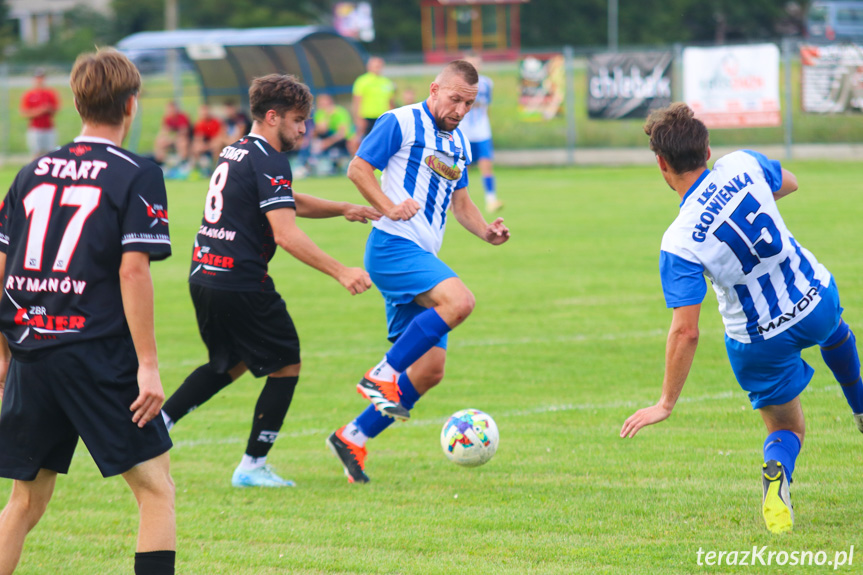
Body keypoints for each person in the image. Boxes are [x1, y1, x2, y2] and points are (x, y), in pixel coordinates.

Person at [620, 103, 863, 534]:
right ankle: (860, 408)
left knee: (788, 427)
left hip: (758, 339)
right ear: (708, 149)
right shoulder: (742, 164)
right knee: (837, 332)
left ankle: (777, 474)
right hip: (812, 297)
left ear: (661, 163)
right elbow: (790, 182)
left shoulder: (678, 241)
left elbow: (686, 330)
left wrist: (665, 403)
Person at [0, 49, 175, 574]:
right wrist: (147, 364)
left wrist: (4, 350)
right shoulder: (137, 172)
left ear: (75, 102)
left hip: (34, 354)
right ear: (131, 104)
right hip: (96, 355)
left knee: (24, 502)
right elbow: (132, 272)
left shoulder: (33, 171)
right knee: (156, 491)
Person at [160, 74, 380, 488]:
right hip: (241, 279)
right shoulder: (271, 158)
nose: (303, 129)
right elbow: (285, 231)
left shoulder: (238, 150)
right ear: (273, 115)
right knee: (286, 363)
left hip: (205, 274)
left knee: (229, 362)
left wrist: (345, 208)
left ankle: (159, 425)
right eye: (298, 120)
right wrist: (342, 270)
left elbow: (287, 200)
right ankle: (252, 466)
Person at [327, 60, 511, 484]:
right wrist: (389, 207)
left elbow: (461, 204)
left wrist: (487, 231)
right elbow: (358, 168)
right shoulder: (400, 122)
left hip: (419, 255)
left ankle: (352, 435)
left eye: (469, 102)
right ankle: (383, 374)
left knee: (429, 371)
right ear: (434, 89)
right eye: (455, 99)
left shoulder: (459, 143)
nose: (461, 109)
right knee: (460, 301)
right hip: (393, 247)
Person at [460, 55, 502, 213]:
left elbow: (487, 105)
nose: (474, 67)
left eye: (477, 63)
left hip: (481, 129)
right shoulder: (458, 83)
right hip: (463, 130)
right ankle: (461, 202)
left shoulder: (487, 83)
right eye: (471, 64)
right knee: (463, 168)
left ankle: (491, 199)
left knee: (486, 164)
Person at [19, 67, 60, 159]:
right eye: (38, 78)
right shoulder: (29, 94)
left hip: (49, 128)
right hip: (35, 128)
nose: (40, 80)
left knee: (50, 153)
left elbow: (56, 109)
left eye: (42, 77)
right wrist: (40, 111)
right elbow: (24, 113)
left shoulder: (50, 93)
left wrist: (48, 109)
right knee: (36, 153)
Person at [312, 93, 358, 174]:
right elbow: (321, 130)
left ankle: (355, 168)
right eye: (320, 103)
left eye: (324, 103)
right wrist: (327, 116)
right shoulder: (320, 114)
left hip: (344, 139)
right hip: (328, 137)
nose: (322, 105)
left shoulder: (340, 112)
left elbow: (342, 133)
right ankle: (315, 167)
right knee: (315, 143)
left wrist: (328, 142)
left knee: (353, 142)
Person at [352, 56, 395, 141]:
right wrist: (358, 118)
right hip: (367, 117)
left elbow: (390, 102)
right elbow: (357, 102)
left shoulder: (387, 82)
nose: (377, 68)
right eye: (375, 66)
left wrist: (391, 119)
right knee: (363, 141)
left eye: (379, 66)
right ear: (369, 67)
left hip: (382, 117)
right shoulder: (362, 81)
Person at [188, 103, 224, 177]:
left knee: (217, 147)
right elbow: (198, 138)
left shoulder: (216, 122)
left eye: (205, 111)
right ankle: (196, 170)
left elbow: (218, 138)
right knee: (195, 148)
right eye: (202, 111)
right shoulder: (199, 124)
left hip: (213, 145)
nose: (204, 113)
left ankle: (215, 170)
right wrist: (200, 146)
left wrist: (207, 146)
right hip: (205, 145)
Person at [152, 100, 191, 170]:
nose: (170, 111)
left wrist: (172, 139)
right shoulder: (167, 119)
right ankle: (162, 164)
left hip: (184, 139)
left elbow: (183, 132)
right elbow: (163, 132)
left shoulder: (182, 117)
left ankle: (183, 164)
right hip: (173, 139)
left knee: (182, 142)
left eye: (172, 109)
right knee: (160, 141)